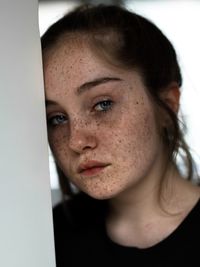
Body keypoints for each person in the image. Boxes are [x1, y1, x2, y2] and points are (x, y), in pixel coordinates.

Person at [41, 4, 200, 266]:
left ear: (167, 104)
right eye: (57, 118)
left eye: (102, 104)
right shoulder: (49, 240)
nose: (76, 141)